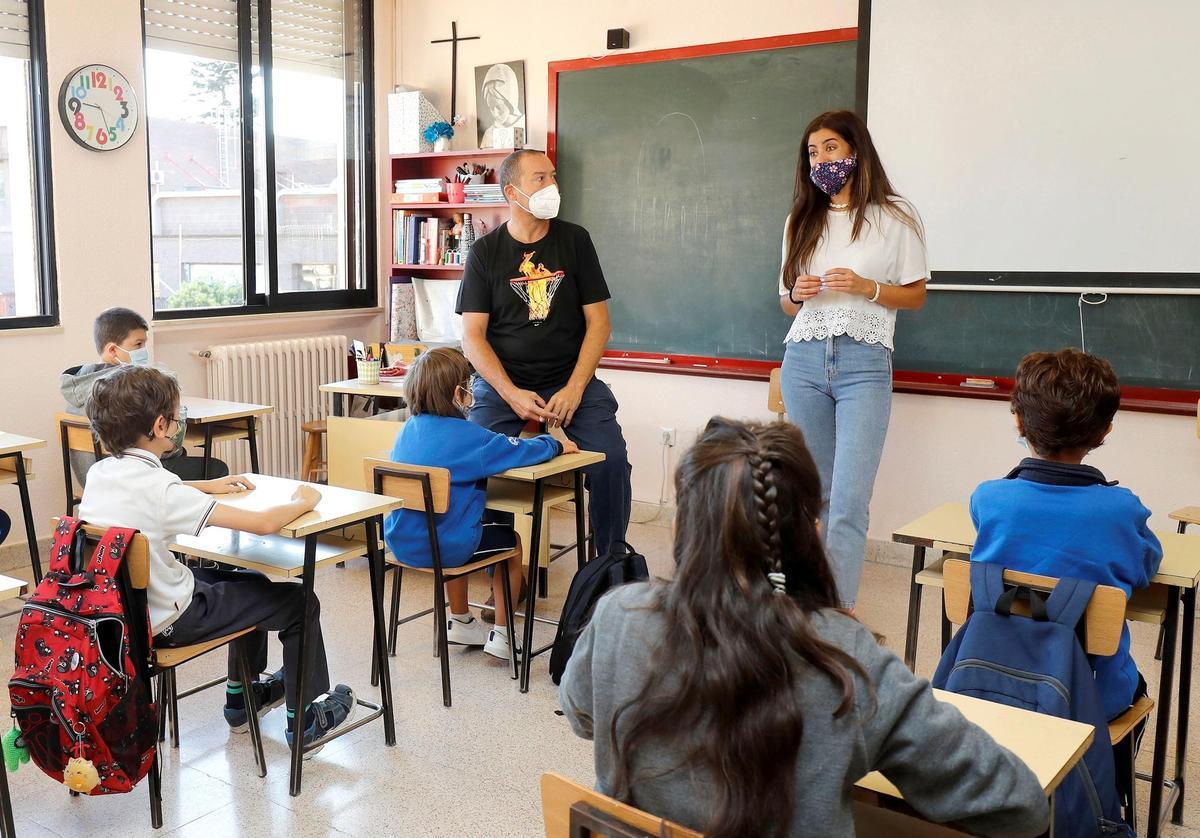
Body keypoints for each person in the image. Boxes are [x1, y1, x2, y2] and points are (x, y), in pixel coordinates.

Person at [559, 418, 1049, 837]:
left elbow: (581, 715)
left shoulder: (620, 615)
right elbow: (1019, 805)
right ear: (811, 529)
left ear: (683, 525)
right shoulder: (843, 655)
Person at [79, 365, 356, 752]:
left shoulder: (100, 473)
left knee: (248, 581)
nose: (178, 425)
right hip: (172, 621)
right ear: (161, 425)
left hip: (124, 621)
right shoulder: (163, 490)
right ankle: (305, 720)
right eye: (176, 418)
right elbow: (261, 524)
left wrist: (203, 486)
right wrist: (302, 500)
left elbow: (157, 492)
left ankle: (241, 700)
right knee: (298, 601)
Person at [777, 109, 928, 609]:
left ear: (855, 152)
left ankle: (837, 611)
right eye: (813, 151)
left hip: (865, 360)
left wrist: (869, 288)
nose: (820, 160)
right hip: (803, 357)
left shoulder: (896, 215)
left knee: (849, 500)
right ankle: (805, 601)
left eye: (831, 149)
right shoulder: (802, 218)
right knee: (811, 494)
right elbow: (786, 302)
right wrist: (797, 293)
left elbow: (915, 295)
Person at [458, 148, 631, 561]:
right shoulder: (485, 253)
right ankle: (499, 571)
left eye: (552, 176)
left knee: (612, 461)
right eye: (540, 178)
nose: (552, 185)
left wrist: (574, 388)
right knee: (476, 462)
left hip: (569, 381)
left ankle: (609, 567)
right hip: (505, 385)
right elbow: (472, 337)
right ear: (511, 192)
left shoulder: (575, 240)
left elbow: (599, 324)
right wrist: (511, 393)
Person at [970, 349, 1161, 722]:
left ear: (1019, 422)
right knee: (1134, 686)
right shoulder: (1122, 510)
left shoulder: (988, 498)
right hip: (1089, 696)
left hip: (992, 681)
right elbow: (1146, 569)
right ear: (1105, 430)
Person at [383, 348, 578, 659]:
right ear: (457, 392)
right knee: (510, 543)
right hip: (447, 548)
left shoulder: (407, 432)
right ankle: (502, 635)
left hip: (401, 543)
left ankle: (460, 621)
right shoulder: (470, 436)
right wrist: (555, 443)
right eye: (467, 383)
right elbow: (520, 450)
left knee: (450, 526)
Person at [60, 306, 229, 486]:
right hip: (132, 477)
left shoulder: (77, 384)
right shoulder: (123, 391)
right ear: (113, 350)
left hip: (94, 478)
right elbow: (161, 444)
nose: (144, 350)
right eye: (138, 344)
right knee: (214, 468)